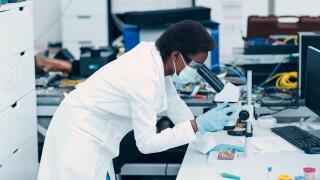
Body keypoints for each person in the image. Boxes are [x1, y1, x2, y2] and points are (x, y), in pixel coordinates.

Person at [37, 20, 236, 180]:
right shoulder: (144, 78)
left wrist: (207, 145)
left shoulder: (157, 57)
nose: (196, 72)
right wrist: (196, 125)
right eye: (195, 65)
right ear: (176, 55)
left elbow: (175, 106)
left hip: (95, 133)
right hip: (79, 137)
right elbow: (147, 143)